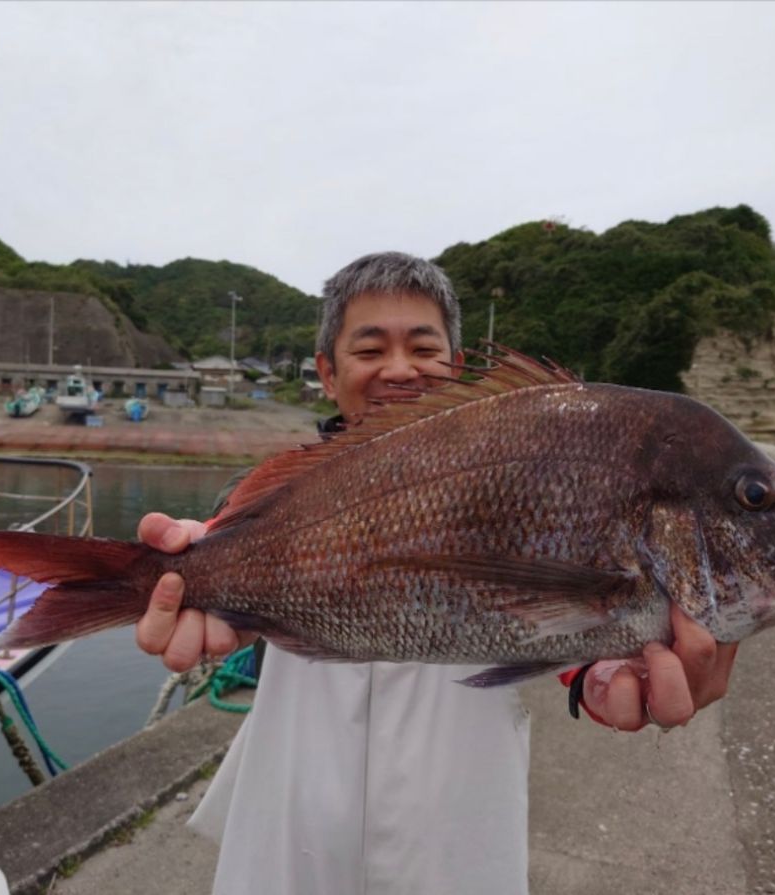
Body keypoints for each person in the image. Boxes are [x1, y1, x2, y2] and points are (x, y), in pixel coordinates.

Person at [135, 252, 738, 894]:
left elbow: (568, 631)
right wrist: (191, 582)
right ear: (327, 373)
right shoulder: (270, 497)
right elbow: (225, 556)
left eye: (423, 347)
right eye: (370, 349)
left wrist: (610, 670)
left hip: (452, 841)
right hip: (291, 833)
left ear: (455, 368)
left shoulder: (517, 483)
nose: (399, 368)